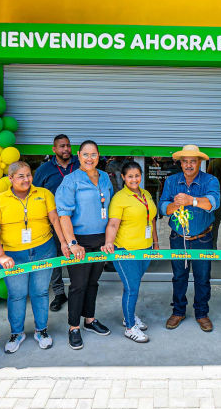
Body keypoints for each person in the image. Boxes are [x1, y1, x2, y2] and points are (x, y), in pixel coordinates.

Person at [0, 160, 69, 354]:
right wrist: (1, 256)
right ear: (10, 178)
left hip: (44, 250)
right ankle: (17, 333)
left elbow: (55, 219)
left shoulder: (44, 194)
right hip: (14, 255)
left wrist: (64, 243)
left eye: (29, 175)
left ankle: (41, 331)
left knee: (40, 292)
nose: (26, 179)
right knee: (17, 295)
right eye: (21, 176)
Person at [55, 140, 114, 350]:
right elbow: (63, 215)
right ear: (78, 156)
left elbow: (110, 208)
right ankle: (73, 327)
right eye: (86, 154)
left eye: (94, 154)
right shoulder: (71, 180)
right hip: (79, 240)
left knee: (93, 282)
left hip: (100, 239)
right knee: (78, 285)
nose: (90, 158)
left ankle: (89, 320)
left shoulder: (105, 177)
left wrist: (109, 239)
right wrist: (72, 243)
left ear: (99, 156)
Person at [159, 145, 221, 332]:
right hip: (178, 238)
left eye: (192, 161)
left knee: (203, 277)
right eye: (185, 161)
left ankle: (202, 313)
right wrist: (174, 206)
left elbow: (213, 203)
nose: (188, 165)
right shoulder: (171, 181)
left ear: (199, 162)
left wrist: (191, 200)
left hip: (203, 238)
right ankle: (178, 311)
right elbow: (162, 207)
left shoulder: (210, 180)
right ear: (180, 163)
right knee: (179, 277)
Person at [104, 161, 160, 343]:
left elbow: (152, 219)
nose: (134, 179)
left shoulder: (146, 194)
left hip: (145, 248)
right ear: (123, 177)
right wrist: (109, 243)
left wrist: (156, 242)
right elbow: (113, 224)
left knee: (131, 285)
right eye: (130, 176)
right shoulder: (119, 198)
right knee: (132, 288)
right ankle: (129, 327)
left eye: (137, 175)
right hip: (126, 250)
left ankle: (128, 315)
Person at [32, 134, 78, 311]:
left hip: (77, 221)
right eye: (62, 146)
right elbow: (35, 194)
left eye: (68, 145)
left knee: (77, 256)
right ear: (54, 149)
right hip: (53, 222)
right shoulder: (44, 170)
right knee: (56, 257)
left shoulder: (80, 165)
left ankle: (76, 290)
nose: (66, 149)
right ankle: (59, 293)